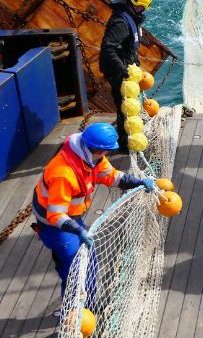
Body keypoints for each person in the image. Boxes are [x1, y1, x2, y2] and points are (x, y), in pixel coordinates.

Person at [31, 122, 155, 296]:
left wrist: (137, 182)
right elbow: (55, 215)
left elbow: (111, 176)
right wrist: (78, 230)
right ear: (99, 150)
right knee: (74, 270)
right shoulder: (63, 174)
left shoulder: (92, 157)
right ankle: (74, 315)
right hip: (55, 225)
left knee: (88, 263)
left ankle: (87, 304)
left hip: (72, 218)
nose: (107, 155)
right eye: (107, 151)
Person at [99, 0, 152, 152]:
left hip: (126, 67)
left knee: (129, 104)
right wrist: (123, 70)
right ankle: (124, 143)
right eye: (141, 8)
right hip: (117, 71)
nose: (142, 11)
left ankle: (127, 137)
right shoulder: (121, 22)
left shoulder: (131, 17)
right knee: (125, 107)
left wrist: (135, 64)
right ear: (136, 5)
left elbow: (128, 47)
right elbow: (108, 48)